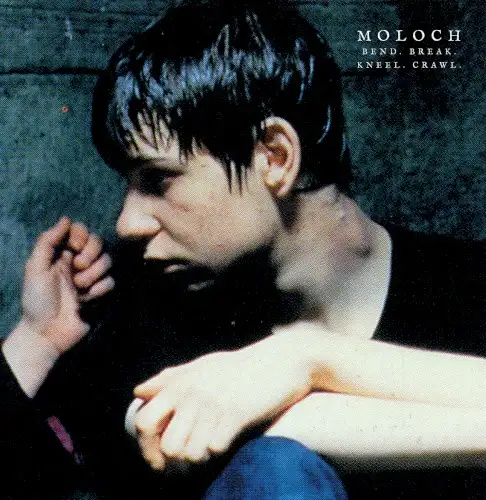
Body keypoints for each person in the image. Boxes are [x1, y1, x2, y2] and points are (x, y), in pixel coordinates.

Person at [1, 0, 485, 498]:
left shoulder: (469, 287)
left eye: (159, 179)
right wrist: (37, 338)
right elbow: (209, 430)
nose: (127, 224)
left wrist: (313, 358)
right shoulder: (147, 314)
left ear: (275, 157)